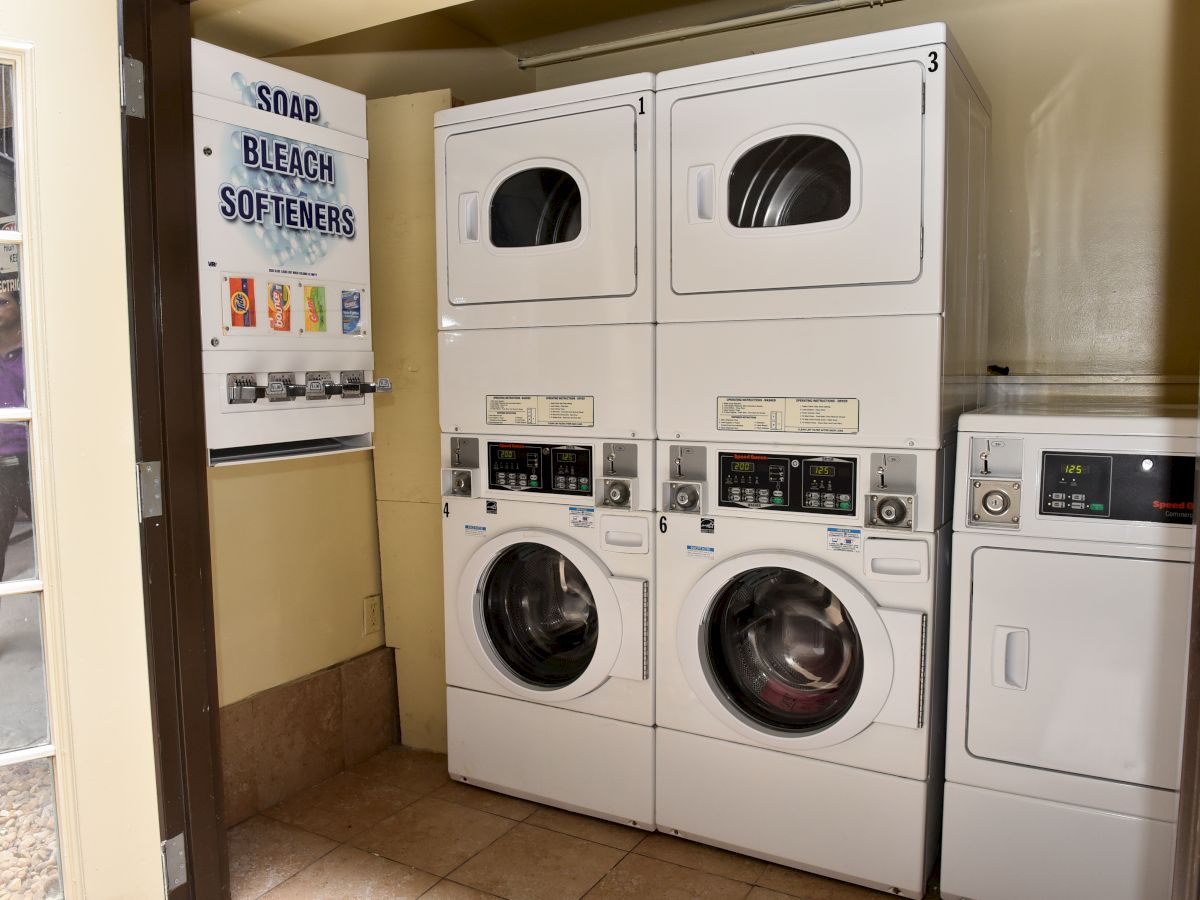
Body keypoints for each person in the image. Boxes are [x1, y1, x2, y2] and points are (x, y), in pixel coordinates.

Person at [0, 285, 29, 580]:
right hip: (1, 467)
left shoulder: (33, 355)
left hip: (33, 462)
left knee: (60, 539)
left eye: (3, 301)